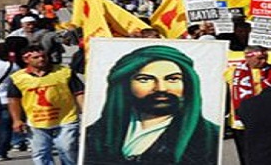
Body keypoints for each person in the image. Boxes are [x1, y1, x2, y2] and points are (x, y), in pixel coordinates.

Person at [84, 45, 220, 164]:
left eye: (172, 79)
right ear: (126, 84)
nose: (161, 88)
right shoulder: (95, 135)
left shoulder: (211, 138)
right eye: (145, 79)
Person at [9, 45, 85, 165]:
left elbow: (79, 93)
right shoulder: (18, 78)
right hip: (36, 122)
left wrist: (85, 113)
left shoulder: (64, 72)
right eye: (36, 57)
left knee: (67, 149)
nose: (41, 59)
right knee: (40, 153)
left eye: (43, 56)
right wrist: (17, 120)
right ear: (26, 59)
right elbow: (14, 100)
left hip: (66, 119)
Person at [224, 45, 271, 165]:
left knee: (267, 155)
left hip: (266, 121)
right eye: (260, 58)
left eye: (265, 58)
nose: (264, 61)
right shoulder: (233, 71)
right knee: (245, 156)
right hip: (240, 122)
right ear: (247, 58)